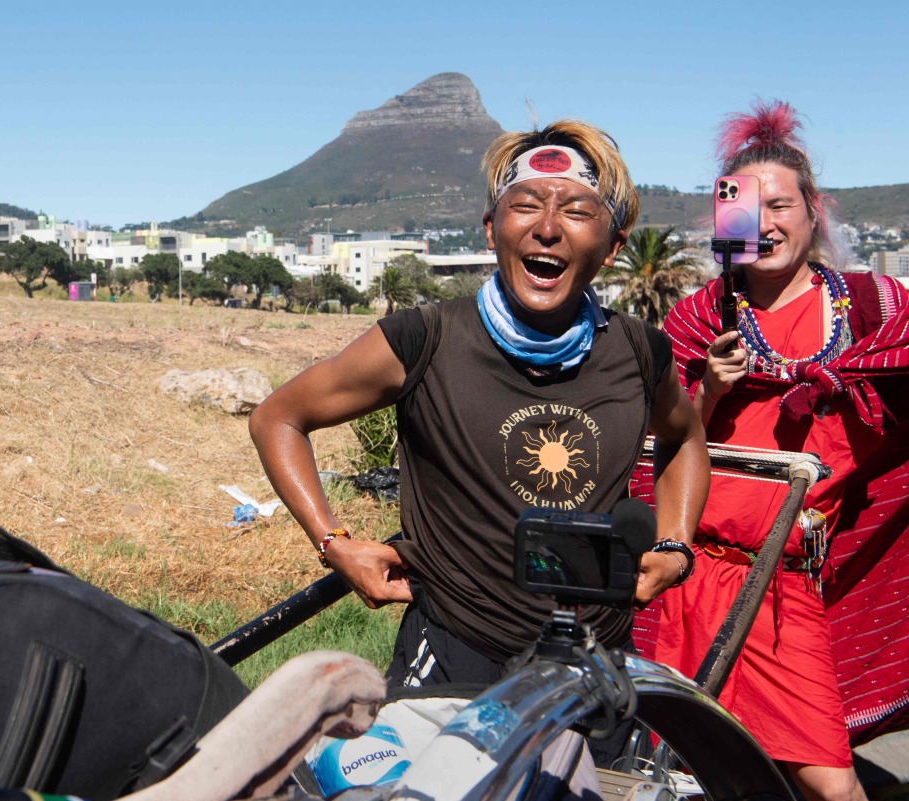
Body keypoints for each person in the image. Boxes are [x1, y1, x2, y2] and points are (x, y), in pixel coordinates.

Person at [249, 119, 709, 691]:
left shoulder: (640, 351)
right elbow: (279, 418)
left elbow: (686, 439)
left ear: (613, 247)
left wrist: (675, 547)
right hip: (455, 653)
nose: (547, 228)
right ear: (492, 230)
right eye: (526, 205)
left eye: (577, 211)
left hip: (594, 664)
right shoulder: (425, 340)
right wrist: (333, 544)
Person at [657, 100, 909, 801]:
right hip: (692, 574)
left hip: (783, 583)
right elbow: (658, 453)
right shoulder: (702, 316)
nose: (765, 224)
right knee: (682, 777)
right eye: (747, 207)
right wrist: (707, 389)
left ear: (812, 208)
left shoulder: (872, 308)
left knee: (833, 786)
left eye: (781, 204)